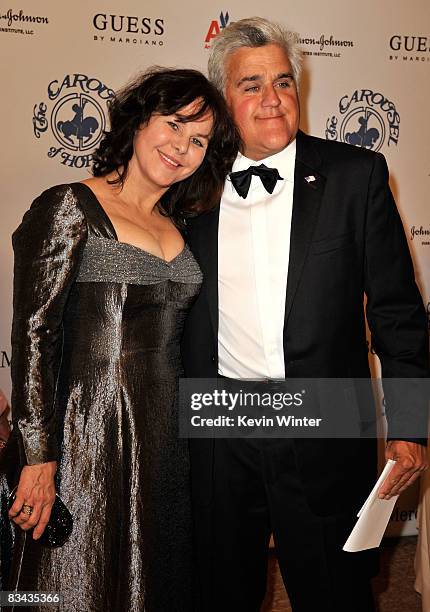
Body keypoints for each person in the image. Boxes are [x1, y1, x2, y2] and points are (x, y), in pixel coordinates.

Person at [181, 17, 429, 612]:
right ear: (222, 99)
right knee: (220, 590)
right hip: (220, 422)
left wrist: (411, 425)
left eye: (283, 81)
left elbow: (398, 313)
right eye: (251, 85)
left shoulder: (355, 176)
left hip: (323, 419)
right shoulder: (187, 184)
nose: (272, 99)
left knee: (334, 593)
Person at [5, 67, 239, 611]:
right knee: (75, 578)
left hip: (164, 432)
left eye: (199, 139)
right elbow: (35, 332)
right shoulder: (69, 205)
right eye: (175, 123)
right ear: (138, 120)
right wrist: (37, 455)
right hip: (85, 426)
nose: (183, 147)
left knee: (157, 572)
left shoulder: (182, 225)